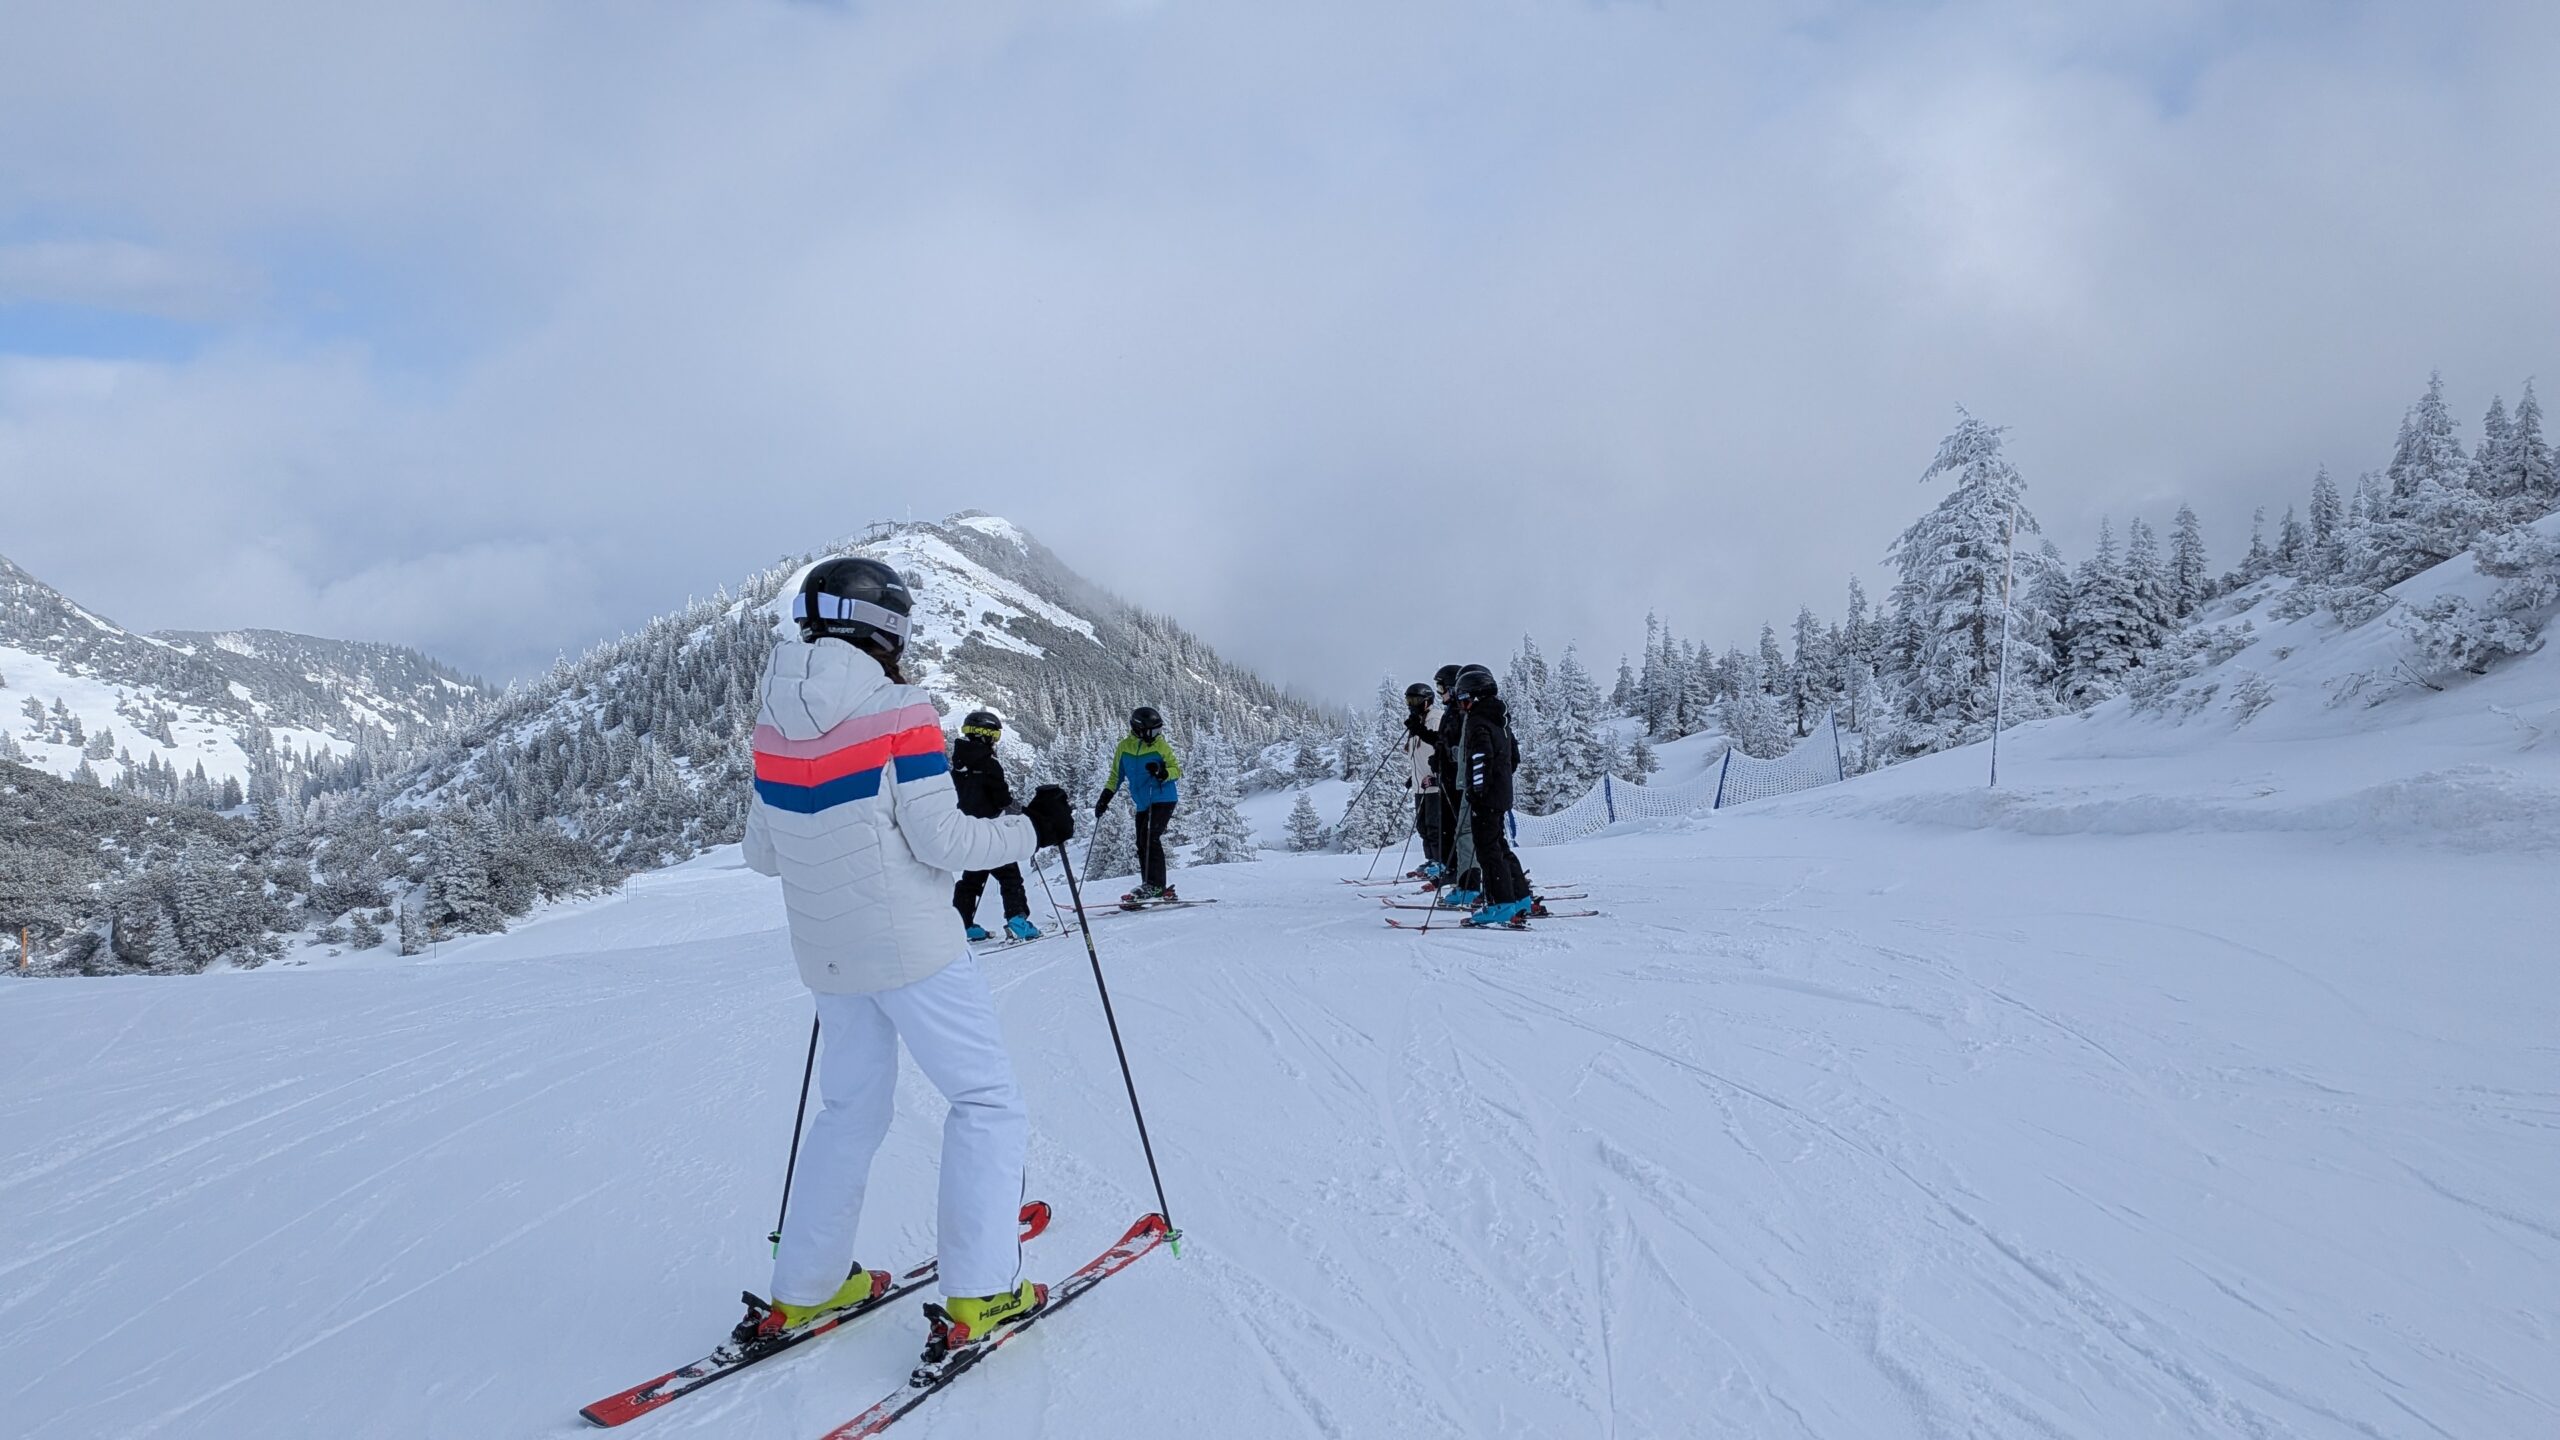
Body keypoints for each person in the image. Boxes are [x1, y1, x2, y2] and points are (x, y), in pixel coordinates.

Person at [737, 557, 1078, 1356]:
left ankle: (808, 1286)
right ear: (888, 629)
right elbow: (944, 842)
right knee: (986, 1103)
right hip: (916, 953)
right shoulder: (899, 712)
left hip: (829, 960)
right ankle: (982, 1291)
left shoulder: (772, 724)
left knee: (849, 1112)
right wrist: (1035, 827)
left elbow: (763, 853)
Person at [1450, 665, 1533, 927]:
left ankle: (1501, 905)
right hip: (1501, 794)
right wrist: (1500, 779)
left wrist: (1477, 792)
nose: (1462, 706)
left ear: (1476, 697)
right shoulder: (1500, 719)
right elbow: (1514, 757)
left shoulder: (1479, 721)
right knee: (1499, 845)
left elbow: (1479, 759)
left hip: (1486, 798)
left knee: (1488, 851)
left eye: (1464, 700)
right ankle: (1520, 897)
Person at [949, 710, 1040, 943]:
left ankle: (961, 925)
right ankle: (1017, 921)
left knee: (971, 880)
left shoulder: (957, 765)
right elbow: (1002, 800)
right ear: (985, 735)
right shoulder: (989, 764)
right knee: (1010, 878)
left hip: (969, 831)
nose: (995, 741)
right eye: (995, 736)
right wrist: (1024, 813)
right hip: (992, 832)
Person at [1094, 705, 1182, 903]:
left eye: (1159, 730)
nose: (1157, 735)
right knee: (1141, 843)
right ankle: (1150, 884)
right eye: (1153, 731)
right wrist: (1104, 798)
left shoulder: (1160, 746)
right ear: (1139, 729)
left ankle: (1155, 885)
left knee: (1150, 837)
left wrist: (1163, 773)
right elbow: (1116, 776)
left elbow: (1176, 770)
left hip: (1163, 798)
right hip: (1143, 803)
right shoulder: (1124, 747)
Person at [1400, 681, 1447, 880]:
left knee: (1435, 826)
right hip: (1420, 784)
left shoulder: (1435, 719)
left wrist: (1436, 776)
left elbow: (1440, 748)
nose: (1411, 705)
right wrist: (1413, 776)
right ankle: (1431, 860)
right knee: (1422, 826)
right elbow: (1418, 754)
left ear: (1426, 701)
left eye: (1415, 700)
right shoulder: (1417, 722)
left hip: (1434, 784)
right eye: (1408, 700)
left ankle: (1441, 861)